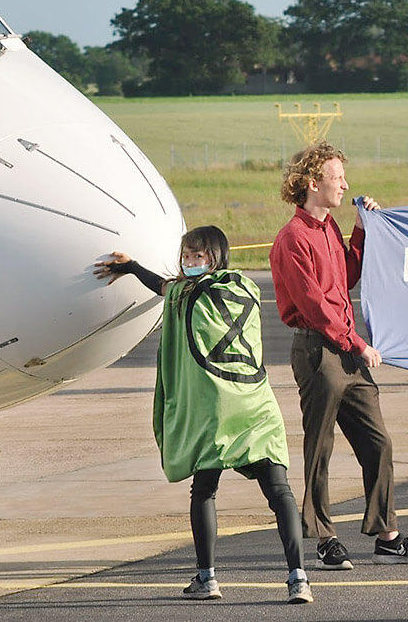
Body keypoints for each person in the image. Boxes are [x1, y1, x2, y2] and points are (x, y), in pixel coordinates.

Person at [93, 226, 313, 604]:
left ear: (214, 257)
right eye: (188, 256)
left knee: (205, 489)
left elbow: (161, 286)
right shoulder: (246, 288)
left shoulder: (183, 294)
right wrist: (135, 268)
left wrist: (130, 268)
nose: (190, 263)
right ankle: (299, 578)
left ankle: (207, 577)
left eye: (198, 257)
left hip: (214, 412)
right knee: (279, 491)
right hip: (257, 405)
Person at [269, 141, 408, 570]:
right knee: (320, 447)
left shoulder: (329, 228)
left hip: (345, 348)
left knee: (377, 442)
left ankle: (387, 537)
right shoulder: (292, 239)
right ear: (313, 183)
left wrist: (363, 228)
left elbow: (345, 277)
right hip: (319, 350)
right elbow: (314, 305)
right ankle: (324, 538)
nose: (345, 185)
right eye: (337, 178)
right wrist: (357, 344)